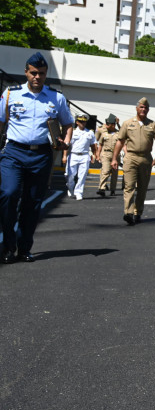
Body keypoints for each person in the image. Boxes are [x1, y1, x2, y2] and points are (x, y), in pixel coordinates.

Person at [0, 52, 73, 263]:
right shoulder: (9, 94)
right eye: (33, 73)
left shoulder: (56, 97)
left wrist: (65, 140)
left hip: (41, 155)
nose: (37, 77)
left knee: (32, 203)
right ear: (26, 72)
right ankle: (8, 246)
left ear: (45, 74)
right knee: (8, 193)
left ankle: (23, 248)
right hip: (13, 152)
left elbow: (67, 123)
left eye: (41, 73)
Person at [111, 97, 155, 226]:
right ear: (136, 108)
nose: (143, 109)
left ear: (148, 110)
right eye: (141, 107)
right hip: (131, 157)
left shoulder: (153, 125)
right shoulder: (128, 123)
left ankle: (137, 212)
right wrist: (114, 158)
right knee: (129, 186)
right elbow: (120, 141)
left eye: (145, 108)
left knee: (142, 188)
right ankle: (128, 213)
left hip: (146, 159)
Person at [63, 113, 96, 200]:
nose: (83, 123)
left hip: (84, 156)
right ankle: (70, 186)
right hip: (73, 155)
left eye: (84, 122)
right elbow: (67, 145)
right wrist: (64, 156)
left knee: (82, 176)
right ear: (77, 122)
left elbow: (93, 145)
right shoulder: (72, 132)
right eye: (81, 121)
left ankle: (79, 192)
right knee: (69, 175)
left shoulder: (90, 133)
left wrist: (95, 155)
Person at [95, 114, 121, 196]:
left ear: (113, 125)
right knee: (105, 171)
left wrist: (118, 124)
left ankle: (112, 189)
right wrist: (97, 154)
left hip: (115, 155)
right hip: (106, 154)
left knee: (114, 173)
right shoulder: (104, 133)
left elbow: (124, 135)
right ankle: (101, 188)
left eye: (108, 124)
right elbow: (100, 144)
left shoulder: (118, 133)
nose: (106, 126)